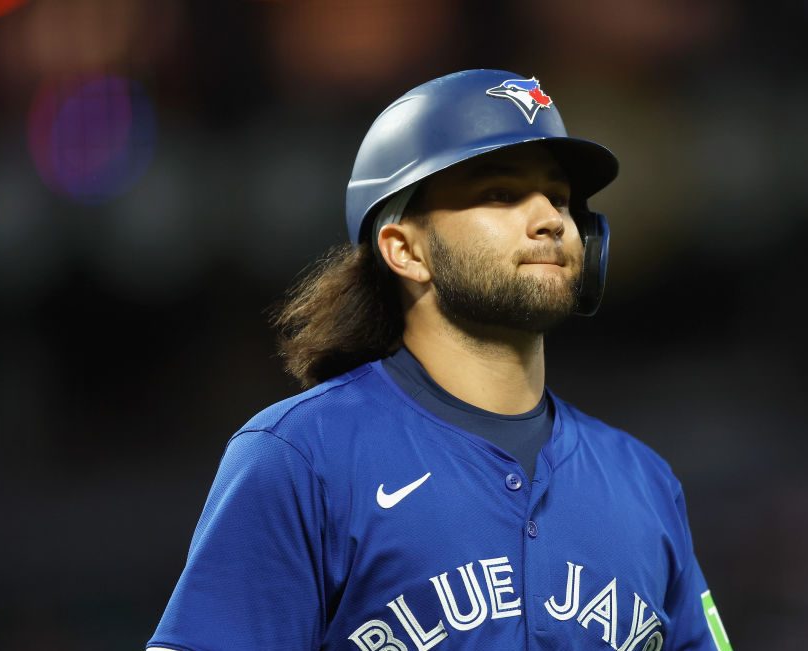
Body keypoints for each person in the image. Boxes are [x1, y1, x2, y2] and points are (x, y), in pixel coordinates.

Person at [146, 69, 732, 651]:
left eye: (558, 198)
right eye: (500, 194)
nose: (552, 220)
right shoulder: (303, 458)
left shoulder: (644, 481)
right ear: (404, 249)